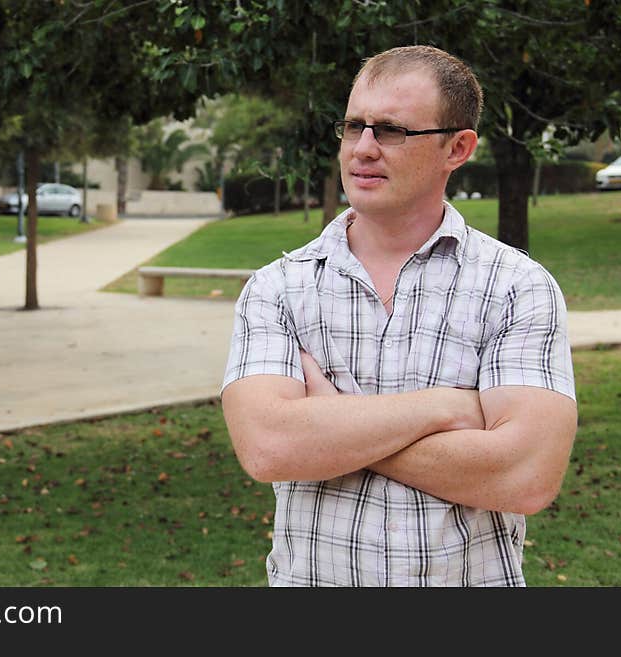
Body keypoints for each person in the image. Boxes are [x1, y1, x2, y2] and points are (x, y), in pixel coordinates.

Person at [220, 45, 577, 587]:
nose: (363, 149)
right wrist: (444, 409)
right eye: (352, 127)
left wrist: (333, 419)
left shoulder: (517, 288)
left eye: (391, 131)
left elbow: (525, 477)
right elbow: (269, 448)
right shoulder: (279, 288)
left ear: (457, 148)